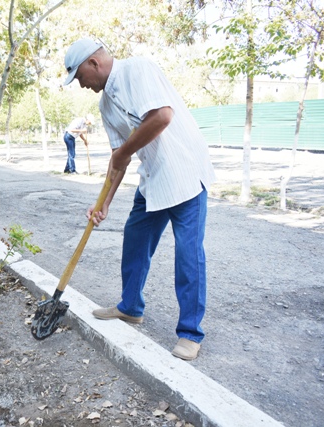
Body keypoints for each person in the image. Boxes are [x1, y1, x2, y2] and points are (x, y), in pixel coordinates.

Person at [63, 38, 216, 361]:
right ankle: (130, 306)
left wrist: (123, 153)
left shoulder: (138, 69)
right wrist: (104, 202)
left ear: (93, 64)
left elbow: (161, 117)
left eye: (79, 78)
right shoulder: (105, 105)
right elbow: (119, 158)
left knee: (188, 253)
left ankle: (190, 332)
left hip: (185, 171)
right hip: (153, 179)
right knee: (135, 240)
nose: (81, 85)